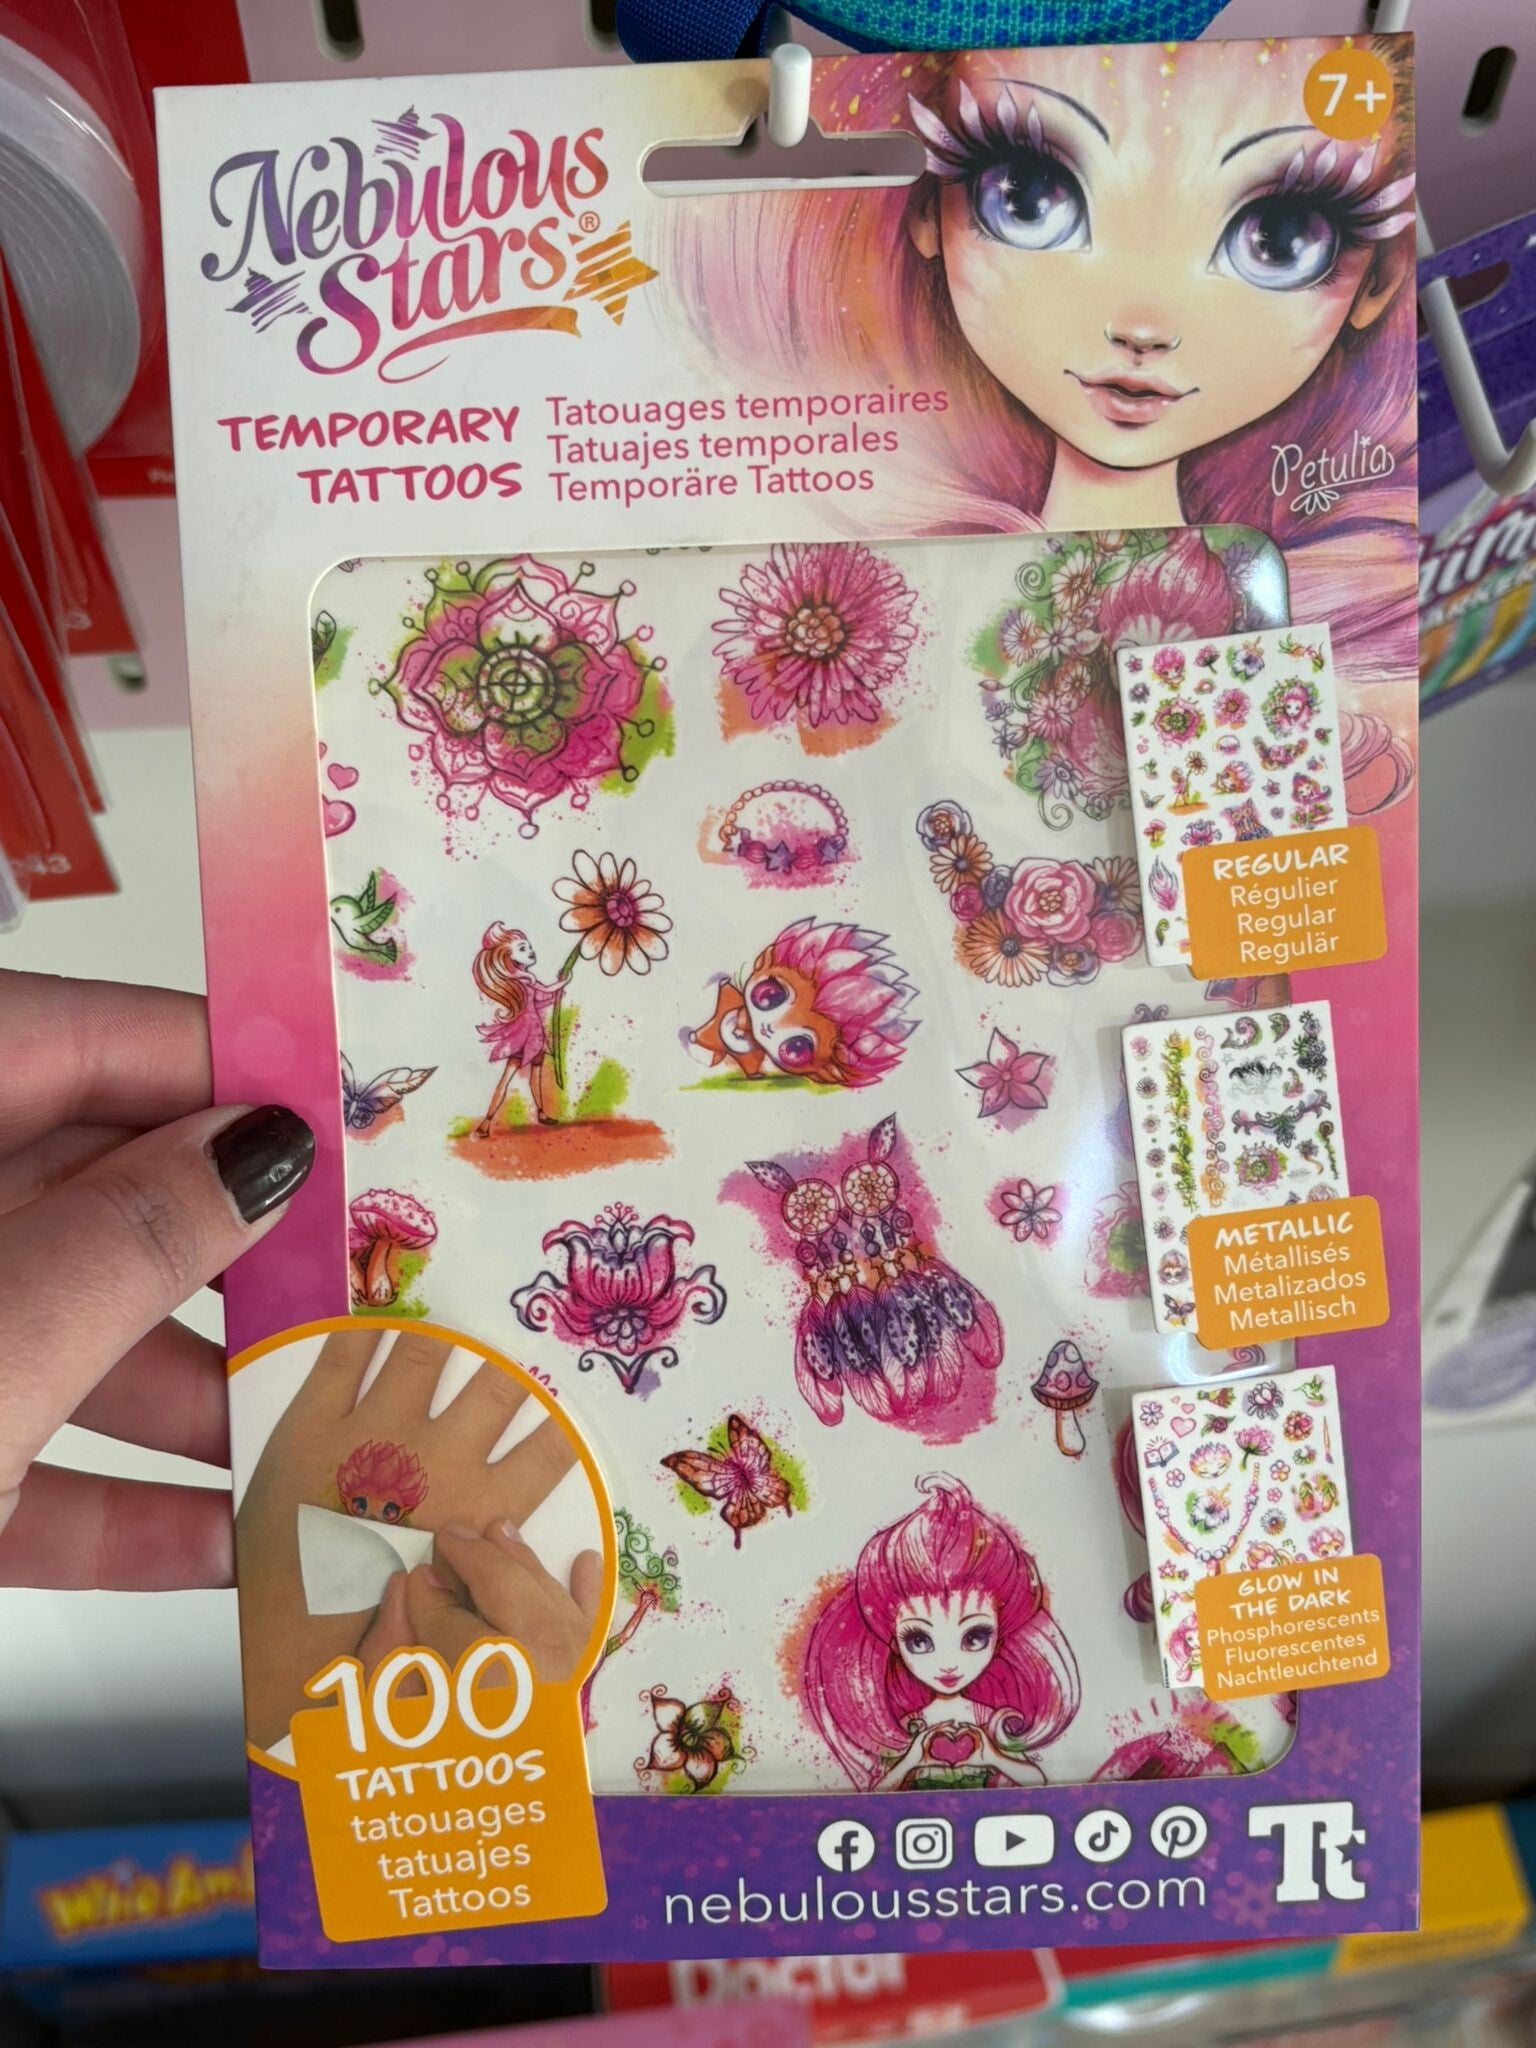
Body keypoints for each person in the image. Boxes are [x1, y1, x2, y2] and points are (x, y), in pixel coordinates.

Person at [803, 1473, 1079, 1789]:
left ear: (999, 1636)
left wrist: (992, 1757)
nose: (948, 1663)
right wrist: (911, 1760)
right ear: (893, 1643)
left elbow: (1037, 1783)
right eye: (919, 1641)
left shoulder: (993, 1721)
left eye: (974, 1638)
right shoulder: (907, 1728)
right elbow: (877, 1794)